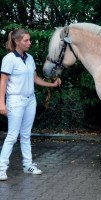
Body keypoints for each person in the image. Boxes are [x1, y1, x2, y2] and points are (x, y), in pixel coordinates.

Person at [0, 29, 61, 181]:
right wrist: (1, 103)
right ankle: (1, 168)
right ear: (17, 42)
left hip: (30, 100)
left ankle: (28, 165)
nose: (29, 43)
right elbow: (3, 81)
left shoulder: (30, 58)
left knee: (26, 134)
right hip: (15, 100)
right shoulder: (9, 59)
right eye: (26, 40)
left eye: (29, 40)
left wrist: (51, 85)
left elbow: (35, 78)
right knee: (12, 136)